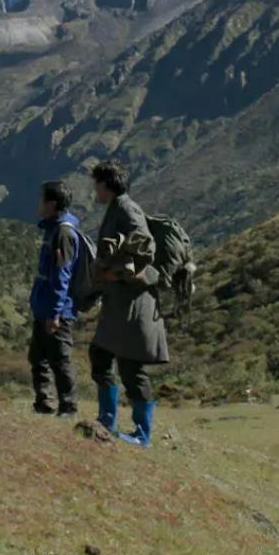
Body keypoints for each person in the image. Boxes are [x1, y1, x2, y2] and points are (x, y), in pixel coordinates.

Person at [89, 160, 169, 447]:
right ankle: (107, 421)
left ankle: (142, 435)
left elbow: (145, 247)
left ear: (106, 184)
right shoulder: (118, 207)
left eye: (96, 184)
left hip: (134, 303)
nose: (94, 190)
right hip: (121, 302)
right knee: (101, 355)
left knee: (131, 368)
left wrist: (116, 272)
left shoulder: (126, 208)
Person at [28, 180, 80, 418]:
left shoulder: (63, 233)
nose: (38, 204)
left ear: (51, 204)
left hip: (56, 308)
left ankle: (68, 407)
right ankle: (44, 403)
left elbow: (62, 275)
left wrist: (55, 313)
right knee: (39, 357)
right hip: (44, 305)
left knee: (60, 358)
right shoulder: (53, 229)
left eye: (42, 200)